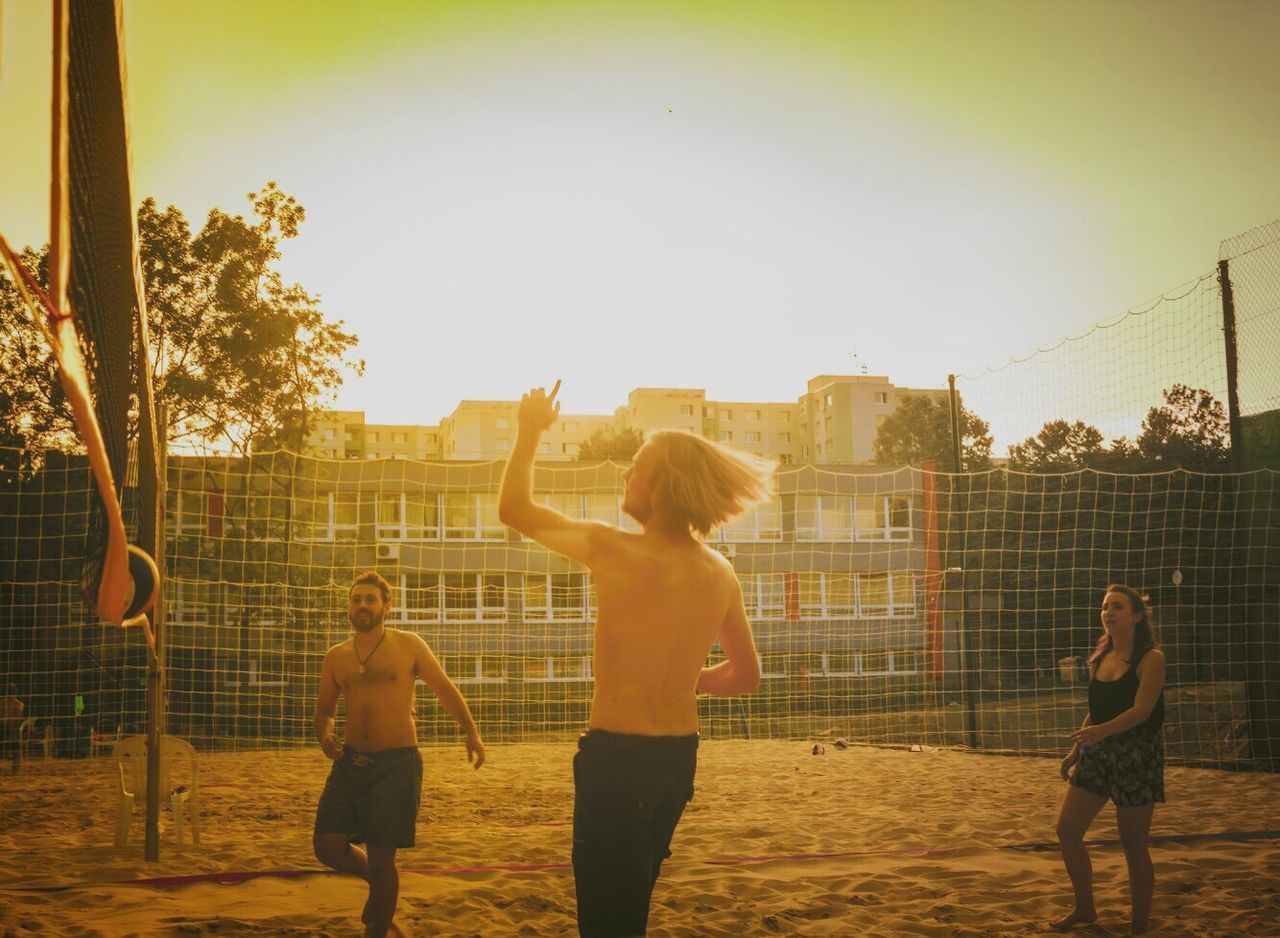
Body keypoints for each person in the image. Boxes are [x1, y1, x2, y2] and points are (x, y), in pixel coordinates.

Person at [498, 381, 770, 938]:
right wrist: (686, 680)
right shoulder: (721, 573)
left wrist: (529, 433)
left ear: (664, 485)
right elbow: (747, 675)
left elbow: (514, 509)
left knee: (607, 921)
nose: (625, 475)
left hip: (617, 762)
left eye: (636, 467)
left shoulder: (611, 548)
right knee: (631, 905)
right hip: (677, 762)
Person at [313, 571, 485, 938]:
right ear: (348, 606)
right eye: (356, 599)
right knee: (327, 844)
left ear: (386, 607)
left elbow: (444, 688)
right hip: (350, 762)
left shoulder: (408, 645)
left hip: (396, 764)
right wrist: (325, 735)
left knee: (382, 858)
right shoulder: (336, 656)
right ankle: (377, 885)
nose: (362, 605)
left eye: (370, 599)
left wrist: (471, 732)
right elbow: (325, 709)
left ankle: (378, 929)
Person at [1053, 584, 1166, 935]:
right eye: (1104, 607)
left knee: (1133, 843)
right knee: (1067, 830)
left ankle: (1139, 926)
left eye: (1116, 606)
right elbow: (1097, 710)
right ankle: (1085, 909)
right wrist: (1077, 749)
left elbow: (1141, 711)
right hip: (1098, 751)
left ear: (1135, 615)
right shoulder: (1102, 656)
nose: (1108, 612)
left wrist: (1100, 732)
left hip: (1136, 755)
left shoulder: (1152, 658)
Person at [1, 684, 23, 771]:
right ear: (16, 692)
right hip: (8, 728)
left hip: (2, 727)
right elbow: (16, 721)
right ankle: (15, 773)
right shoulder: (19, 704)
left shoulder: (1, 702)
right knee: (17, 752)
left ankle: (7, 754)